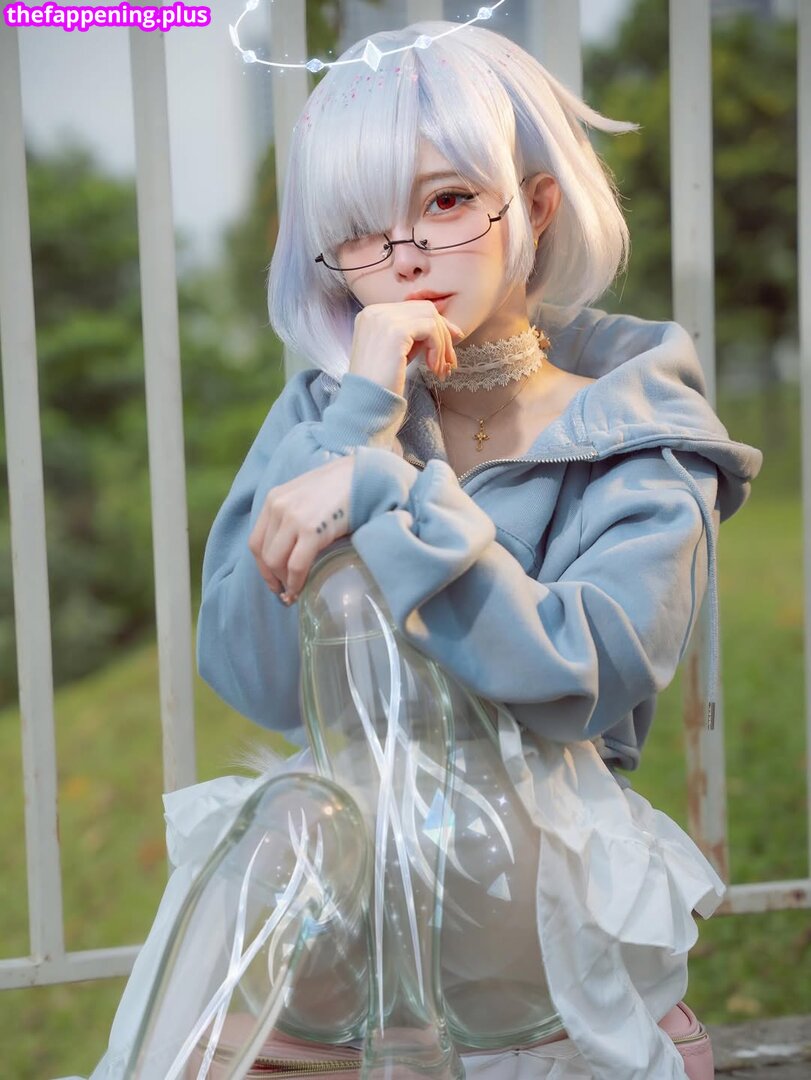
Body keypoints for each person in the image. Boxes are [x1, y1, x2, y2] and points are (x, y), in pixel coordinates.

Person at [75, 18, 762, 1080]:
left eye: (444, 201)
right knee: (288, 824)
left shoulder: (637, 430)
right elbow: (255, 676)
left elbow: (589, 673)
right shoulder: (326, 414)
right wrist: (360, 425)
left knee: (290, 840)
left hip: (535, 857)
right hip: (340, 865)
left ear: (534, 206)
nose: (403, 256)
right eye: (359, 231)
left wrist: (383, 492)